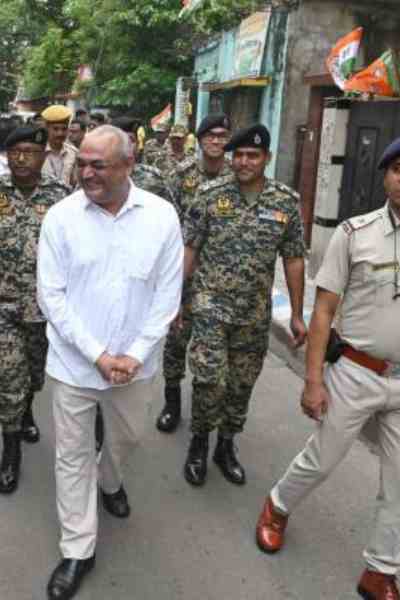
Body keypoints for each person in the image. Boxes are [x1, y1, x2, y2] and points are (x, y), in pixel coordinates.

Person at [255, 133, 400, 600]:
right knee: (323, 458)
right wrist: (313, 382)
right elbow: (324, 313)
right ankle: (277, 506)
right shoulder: (354, 234)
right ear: (385, 176)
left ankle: (380, 571)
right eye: (399, 169)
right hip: (355, 373)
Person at [37, 124, 183, 599]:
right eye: (82, 163)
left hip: (136, 368)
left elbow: (167, 295)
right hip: (75, 365)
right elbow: (51, 297)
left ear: (129, 165)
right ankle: (78, 549)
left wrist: (134, 355)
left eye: (98, 164)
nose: (86, 172)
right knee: (72, 455)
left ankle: (111, 479)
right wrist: (98, 355)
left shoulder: (161, 217)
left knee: (127, 439)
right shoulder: (60, 218)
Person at [181, 123, 307, 487]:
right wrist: (176, 300)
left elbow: (294, 258)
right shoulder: (209, 194)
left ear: (266, 158)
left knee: (241, 384)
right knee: (209, 381)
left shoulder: (285, 201)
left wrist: (298, 314)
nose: (244, 162)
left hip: (253, 313)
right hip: (209, 305)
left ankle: (226, 444)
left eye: (253, 155)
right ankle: (199, 442)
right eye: (239, 155)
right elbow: (190, 249)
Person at [0, 126, 71, 494]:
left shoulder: (62, 198)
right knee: (8, 376)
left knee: (33, 377)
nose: (22, 158)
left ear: (44, 157)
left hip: (46, 311)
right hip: (4, 307)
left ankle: (26, 408)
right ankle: (10, 449)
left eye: (30, 151)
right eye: (15, 151)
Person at [156, 113, 233, 433]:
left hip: (221, 278)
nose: (216, 140)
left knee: (216, 354)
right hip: (183, 273)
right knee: (176, 341)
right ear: (199, 140)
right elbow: (164, 221)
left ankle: (214, 415)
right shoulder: (180, 175)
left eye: (222, 135)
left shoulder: (236, 174)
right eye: (210, 135)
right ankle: (172, 401)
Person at [110, 117, 177, 210]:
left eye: (131, 140)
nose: (126, 145)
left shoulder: (154, 178)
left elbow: (171, 212)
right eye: (120, 141)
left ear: (137, 145)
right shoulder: (97, 178)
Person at [40, 105, 77, 187]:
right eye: (55, 129)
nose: (60, 133)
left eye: (64, 129)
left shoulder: (73, 153)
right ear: (47, 129)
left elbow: (74, 182)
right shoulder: (37, 152)